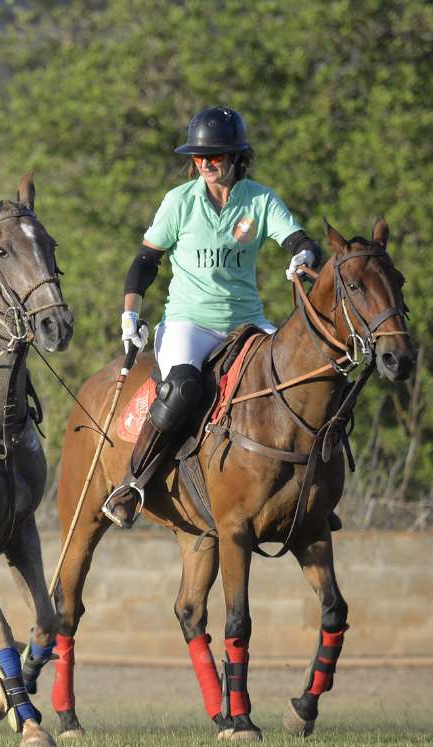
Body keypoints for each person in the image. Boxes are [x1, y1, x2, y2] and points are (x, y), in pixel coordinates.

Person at [101, 106, 322, 527]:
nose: (205, 164)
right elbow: (145, 262)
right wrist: (130, 314)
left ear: (237, 158)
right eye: (199, 157)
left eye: (215, 157)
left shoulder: (260, 199)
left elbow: (300, 241)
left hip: (247, 323)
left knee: (302, 375)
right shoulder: (179, 202)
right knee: (181, 387)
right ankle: (133, 484)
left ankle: (315, 490)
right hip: (190, 324)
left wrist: (304, 257)